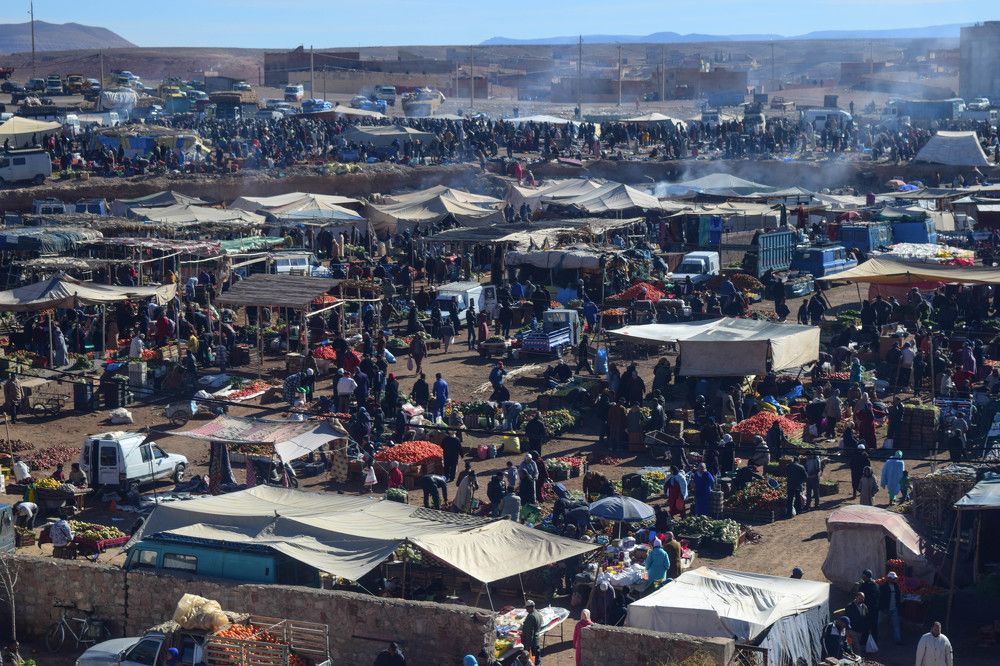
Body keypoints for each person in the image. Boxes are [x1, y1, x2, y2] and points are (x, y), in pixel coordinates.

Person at [879, 571, 903, 646]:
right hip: (885, 609)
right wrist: (882, 608)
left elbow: (898, 597)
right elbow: (880, 598)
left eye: (895, 579)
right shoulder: (883, 587)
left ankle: (898, 640)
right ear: (888, 578)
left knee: (896, 625)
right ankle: (881, 637)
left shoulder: (896, 586)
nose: (894, 580)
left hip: (894, 609)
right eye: (893, 579)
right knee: (883, 624)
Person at [858, 569, 881, 642]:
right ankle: (874, 642)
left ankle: (864, 643)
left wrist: (860, 585)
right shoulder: (876, 585)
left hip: (867, 609)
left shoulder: (865, 585)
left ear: (866, 576)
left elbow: (860, 595)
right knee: (874, 627)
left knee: (865, 626)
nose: (862, 577)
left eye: (864, 576)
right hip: (875, 609)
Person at [520, 599, 543, 665]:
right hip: (536, 640)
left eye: (527, 608)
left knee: (532, 659)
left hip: (532, 643)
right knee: (537, 658)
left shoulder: (531, 617)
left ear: (530, 607)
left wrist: (527, 646)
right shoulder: (538, 614)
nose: (526, 610)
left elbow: (530, 633)